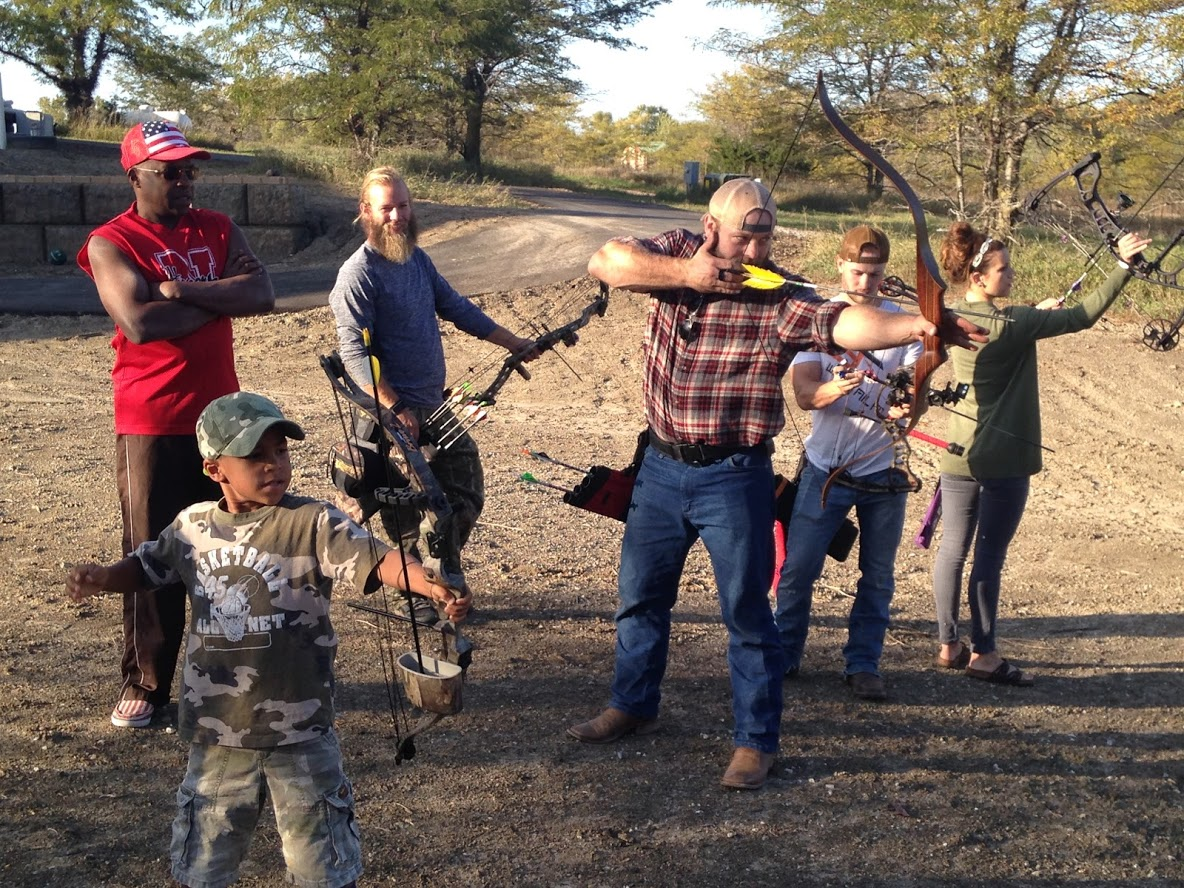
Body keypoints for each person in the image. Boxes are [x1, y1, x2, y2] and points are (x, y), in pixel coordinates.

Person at [568, 179, 987, 790]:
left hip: (735, 476)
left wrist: (920, 328)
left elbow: (843, 323)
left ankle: (755, 741)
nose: (756, 248)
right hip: (659, 466)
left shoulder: (784, 296)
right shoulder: (678, 252)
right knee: (640, 596)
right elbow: (606, 260)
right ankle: (632, 705)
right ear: (711, 227)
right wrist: (690, 275)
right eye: (745, 234)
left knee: (746, 613)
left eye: (765, 234)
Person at [65, 392, 470, 888]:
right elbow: (147, 566)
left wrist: (428, 581)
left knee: (322, 865)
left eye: (280, 451)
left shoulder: (312, 522)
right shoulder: (192, 527)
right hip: (218, 734)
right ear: (215, 469)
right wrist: (105, 577)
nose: (273, 465)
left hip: (301, 732)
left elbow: (378, 558)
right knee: (204, 863)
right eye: (255, 456)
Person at [77, 120, 275, 729]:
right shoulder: (111, 241)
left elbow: (262, 293)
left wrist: (183, 287)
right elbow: (139, 323)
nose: (185, 181)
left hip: (223, 416)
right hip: (154, 416)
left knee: (232, 547)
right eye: (171, 171)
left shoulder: (217, 227)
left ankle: (228, 673)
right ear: (135, 175)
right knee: (154, 551)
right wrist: (219, 293)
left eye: (191, 169)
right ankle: (147, 680)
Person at [931, 222, 1151, 686]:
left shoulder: (952, 318)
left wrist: (1029, 312)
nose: (1010, 274)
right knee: (988, 555)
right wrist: (1121, 265)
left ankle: (949, 645)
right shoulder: (1017, 324)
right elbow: (1084, 315)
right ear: (977, 276)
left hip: (958, 452)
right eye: (1002, 269)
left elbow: (1001, 321)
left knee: (952, 549)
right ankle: (984, 655)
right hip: (1004, 459)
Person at [328, 166, 537, 614]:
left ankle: (439, 578)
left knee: (461, 492)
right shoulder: (357, 273)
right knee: (406, 511)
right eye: (387, 208)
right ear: (366, 211)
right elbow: (353, 354)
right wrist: (395, 405)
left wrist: (513, 342)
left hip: (433, 405)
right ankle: (416, 594)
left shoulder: (416, 259)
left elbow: (456, 307)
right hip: (391, 413)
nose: (397, 216)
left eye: (403, 206)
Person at [773, 224, 922, 702]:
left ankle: (863, 663)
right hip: (827, 467)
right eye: (857, 271)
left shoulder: (905, 327)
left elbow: (915, 395)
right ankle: (784, 653)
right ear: (840, 266)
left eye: (874, 274)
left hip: (884, 467)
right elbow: (802, 393)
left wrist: (907, 405)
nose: (865, 282)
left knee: (878, 574)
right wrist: (832, 389)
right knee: (799, 569)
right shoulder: (817, 319)